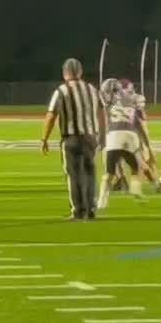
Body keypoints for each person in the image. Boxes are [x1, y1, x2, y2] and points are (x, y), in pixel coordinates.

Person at [41, 58, 104, 220]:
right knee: (90, 173)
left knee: (74, 175)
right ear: (81, 72)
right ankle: (90, 209)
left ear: (64, 73)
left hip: (71, 139)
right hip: (90, 137)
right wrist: (101, 134)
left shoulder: (62, 90)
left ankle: (78, 211)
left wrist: (44, 138)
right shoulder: (92, 89)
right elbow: (101, 112)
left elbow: (51, 115)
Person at [96, 78, 160, 210]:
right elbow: (139, 123)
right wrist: (147, 144)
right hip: (130, 135)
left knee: (109, 173)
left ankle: (102, 200)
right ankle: (136, 189)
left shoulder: (106, 103)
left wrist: (101, 140)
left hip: (113, 135)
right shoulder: (131, 101)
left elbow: (102, 120)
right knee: (136, 169)